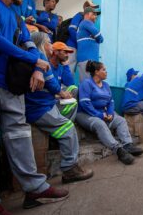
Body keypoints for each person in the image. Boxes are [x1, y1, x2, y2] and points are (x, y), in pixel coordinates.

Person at [0, 0, 67, 213]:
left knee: (20, 134)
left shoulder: (16, 16)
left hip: (11, 84)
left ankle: (34, 187)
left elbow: (32, 48)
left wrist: (38, 68)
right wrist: (33, 61)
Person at [25, 32, 93, 184]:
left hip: (48, 104)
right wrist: (60, 93)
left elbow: (68, 83)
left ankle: (60, 137)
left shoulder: (44, 61)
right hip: (39, 108)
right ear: (43, 45)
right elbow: (53, 85)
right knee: (68, 129)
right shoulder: (40, 59)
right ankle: (69, 170)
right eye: (48, 42)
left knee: (72, 103)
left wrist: (65, 67)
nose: (50, 44)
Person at [76, 61, 143, 165]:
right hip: (85, 114)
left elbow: (111, 102)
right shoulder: (86, 83)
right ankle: (118, 150)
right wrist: (100, 115)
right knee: (100, 123)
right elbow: (85, 103)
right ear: (97, 72)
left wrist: (110, 113)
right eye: (104, 70)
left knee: (121, 120)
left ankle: (127, 145)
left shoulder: (106, 85)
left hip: (103, 113)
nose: (106, 72)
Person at [67, 0, 99, 74]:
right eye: (91, 7)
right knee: (70, 68)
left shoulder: (89, 22)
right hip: (72, 46)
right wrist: (79, 42)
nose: (93, 10)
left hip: (80, 48)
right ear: (86, 8)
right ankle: (65, 86)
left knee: (76, 69)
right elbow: (71, 29)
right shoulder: (79, 15)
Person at [50, 42, 78, 116]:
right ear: (55, 52)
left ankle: (62, 117)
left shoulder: (60, 67)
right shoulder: (47, 65)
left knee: (74, 89)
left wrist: (66, 65)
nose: (67, 55)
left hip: (58, 96)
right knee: (73, 105)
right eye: (65, 52)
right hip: (48, 99)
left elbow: (70, 83)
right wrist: (59, 95)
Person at [77, 6, 103, 81]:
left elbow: (100, 39)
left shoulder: (84, 24)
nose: (96, 17)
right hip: (87, 60)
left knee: (90, 84)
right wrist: (97, 37)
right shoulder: (86, 22)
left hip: (88, 60)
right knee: (87, 84)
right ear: (87, 14)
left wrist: (96, 37)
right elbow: (99, 36)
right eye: (94, 14)